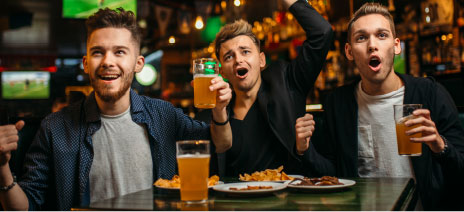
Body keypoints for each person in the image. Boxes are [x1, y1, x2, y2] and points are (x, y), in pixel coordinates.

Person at [0, 8, 232, 210]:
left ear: (138, 63)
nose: (108, 61)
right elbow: (23, 207)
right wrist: (2, 167)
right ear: (86, 63)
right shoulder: (55, 128)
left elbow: (220, 143)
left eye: (119, 52)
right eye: (98, 52)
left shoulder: (164, 115)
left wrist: (219, 109)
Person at [312, 3, 464, 210]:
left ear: (396, 45)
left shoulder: (430, 94)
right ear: (348, 51)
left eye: (381, 35)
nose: (372, 45)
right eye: (361, 37)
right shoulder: (338, 103)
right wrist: (304, 150)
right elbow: (331, 174)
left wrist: (440, 146)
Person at [213, 0, 333, 177]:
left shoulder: (287, 82)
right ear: (222, 70)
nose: (238, 59)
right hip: (238, 201)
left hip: (287, 199)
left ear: (261, 60)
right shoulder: (219, 111)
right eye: (229, 56)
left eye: (245, 51)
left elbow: (322, 33)